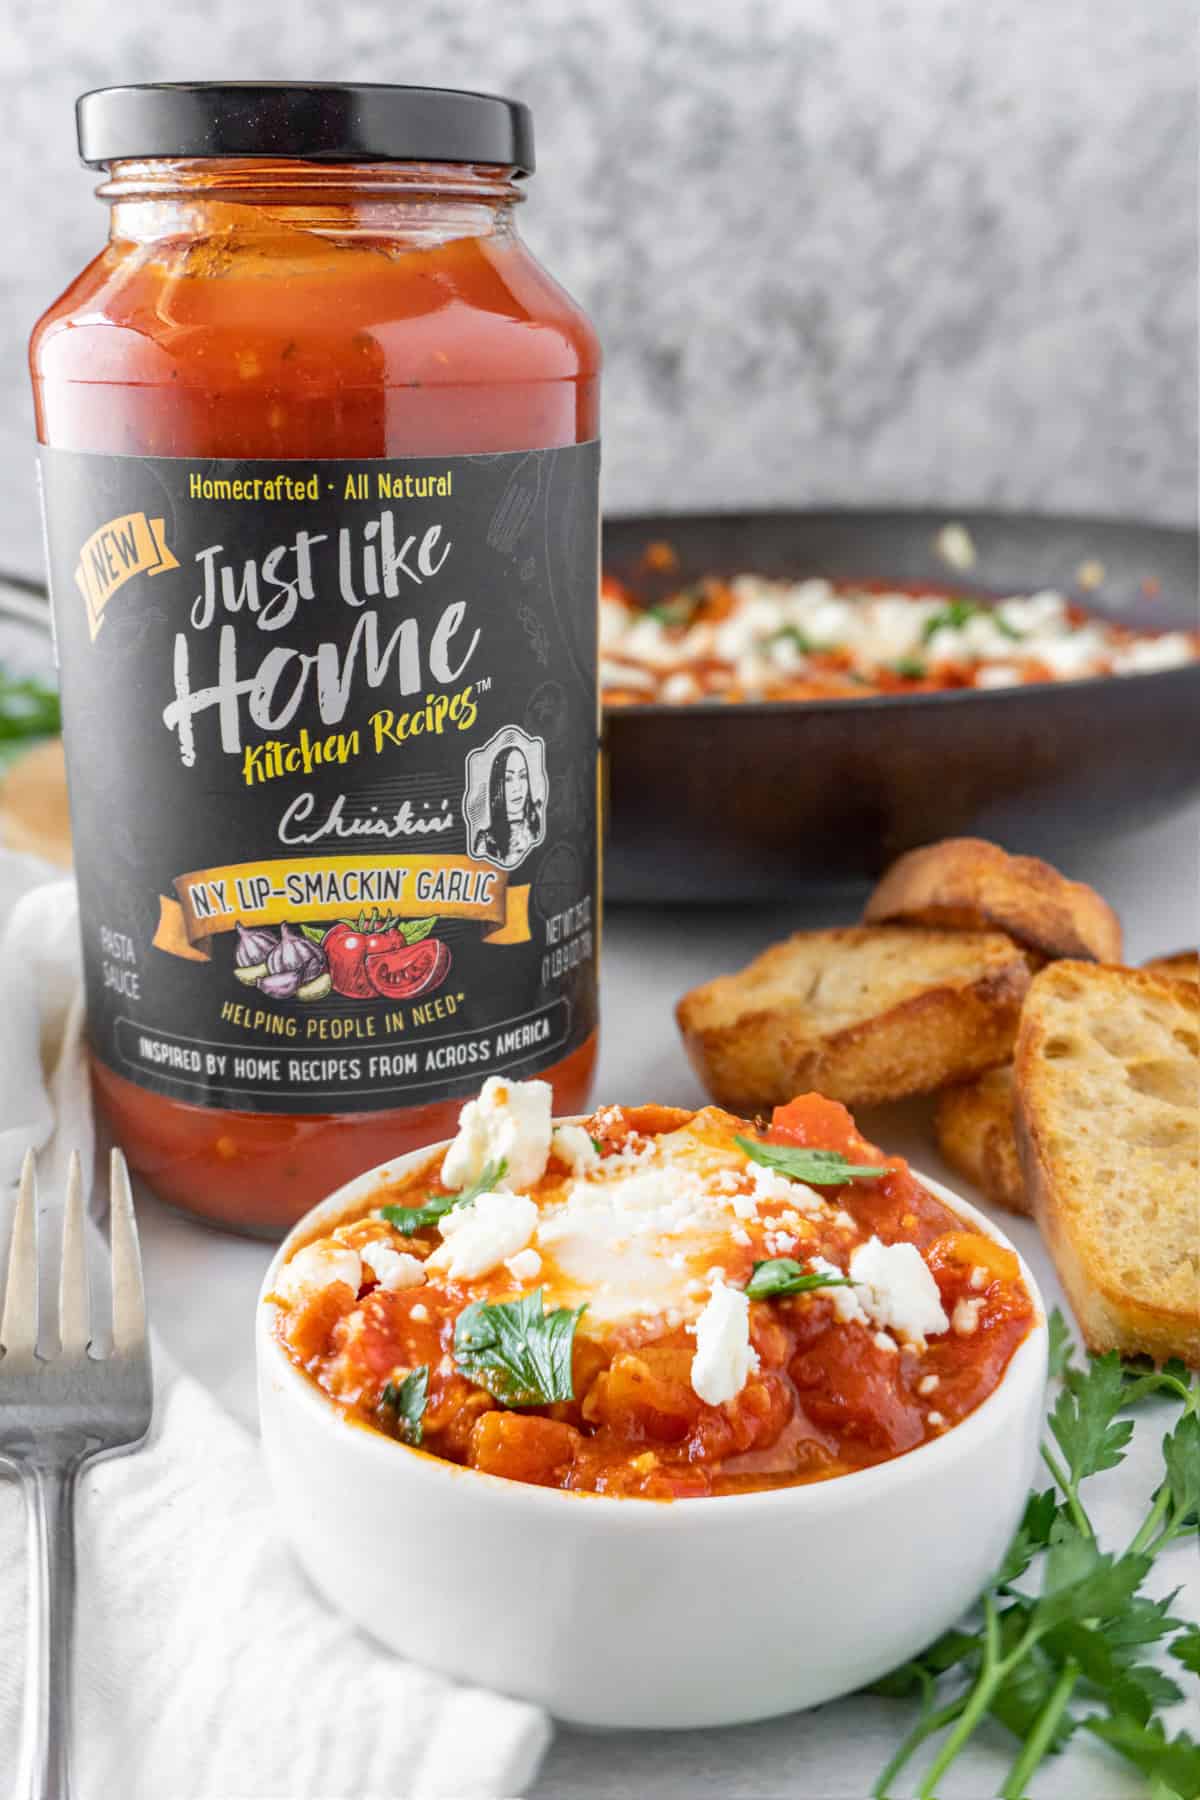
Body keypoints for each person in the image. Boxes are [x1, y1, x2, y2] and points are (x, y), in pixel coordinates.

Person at [474, 744, 542, 867]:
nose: (518, 787)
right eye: (508, 779)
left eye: (522, 776)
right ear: (497, 786)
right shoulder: (487, 842)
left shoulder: (539, 819)